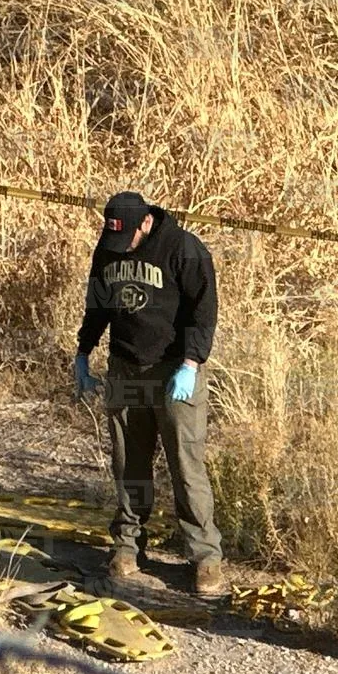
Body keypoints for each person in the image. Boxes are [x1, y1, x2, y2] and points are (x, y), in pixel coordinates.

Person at [74, 191, 226, 595]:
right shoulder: (110, 247)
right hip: (126, 369)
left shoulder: (184, 249)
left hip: (175, 370)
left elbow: (204, 310)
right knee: (129, 463)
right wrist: (84, 351)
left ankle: (205, 557)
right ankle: (127, 544)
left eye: (128, 239)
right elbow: (98, 304)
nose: (121, 249)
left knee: (186, 465)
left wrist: (191, 364)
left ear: (145, 223)